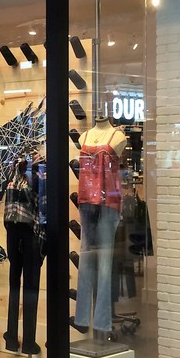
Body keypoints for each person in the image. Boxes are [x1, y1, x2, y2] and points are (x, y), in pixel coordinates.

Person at [72, 115, 127, 336]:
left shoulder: (118, 136)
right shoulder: (84, 136)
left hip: (108, 204)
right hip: (87, 203)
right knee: (86, 260)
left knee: (105, 263)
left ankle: (102, 322)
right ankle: (82, 318)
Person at [2, 157, 43, 355]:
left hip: (21, 231)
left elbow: (43, 207)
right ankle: (20, 339)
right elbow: (41, 207)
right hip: (21, 231)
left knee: (23, 285)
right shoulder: (25, 172)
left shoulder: (25, 172)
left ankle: (20, 339)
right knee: (23, 285)